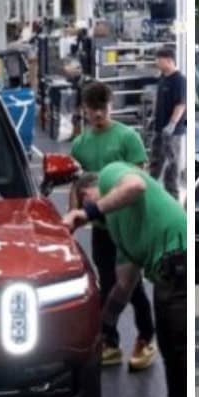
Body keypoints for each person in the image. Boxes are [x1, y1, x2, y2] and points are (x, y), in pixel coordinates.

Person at [64, 163, 186, 397]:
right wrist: (101, 326)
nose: (89, 212)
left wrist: (89, 211)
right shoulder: (118, 231)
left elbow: (136, 188)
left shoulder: (111, 174)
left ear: (89, 190)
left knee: (181, 355)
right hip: (166, 276)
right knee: (172, 355)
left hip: (179, 261)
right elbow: (123, 286)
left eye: (85, 201)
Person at [69, 81, 157, 370]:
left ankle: (146, 337)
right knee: (105, 283)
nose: (98, 115)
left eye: (102, 109)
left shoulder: (127, 137)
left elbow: (140, 180)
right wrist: (73, 217)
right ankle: (110, 340)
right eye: (92, 110)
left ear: (111, 107)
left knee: (131, 286)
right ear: (85, 110)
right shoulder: (80, 144)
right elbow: (77, 184)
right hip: (102, 228)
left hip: (128, 225)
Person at [151, 46, 186, 198]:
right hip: (159, 128)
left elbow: (181, 104)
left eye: (159, 60)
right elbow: (158, 100)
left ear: (169, 61)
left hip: (172, 132)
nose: (156, 62)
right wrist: (153, 118)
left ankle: (172, 195)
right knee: (156, 160)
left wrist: (172, 124)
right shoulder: (163, 78)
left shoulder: (179, 80)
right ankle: (151, 190)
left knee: (172, 163)